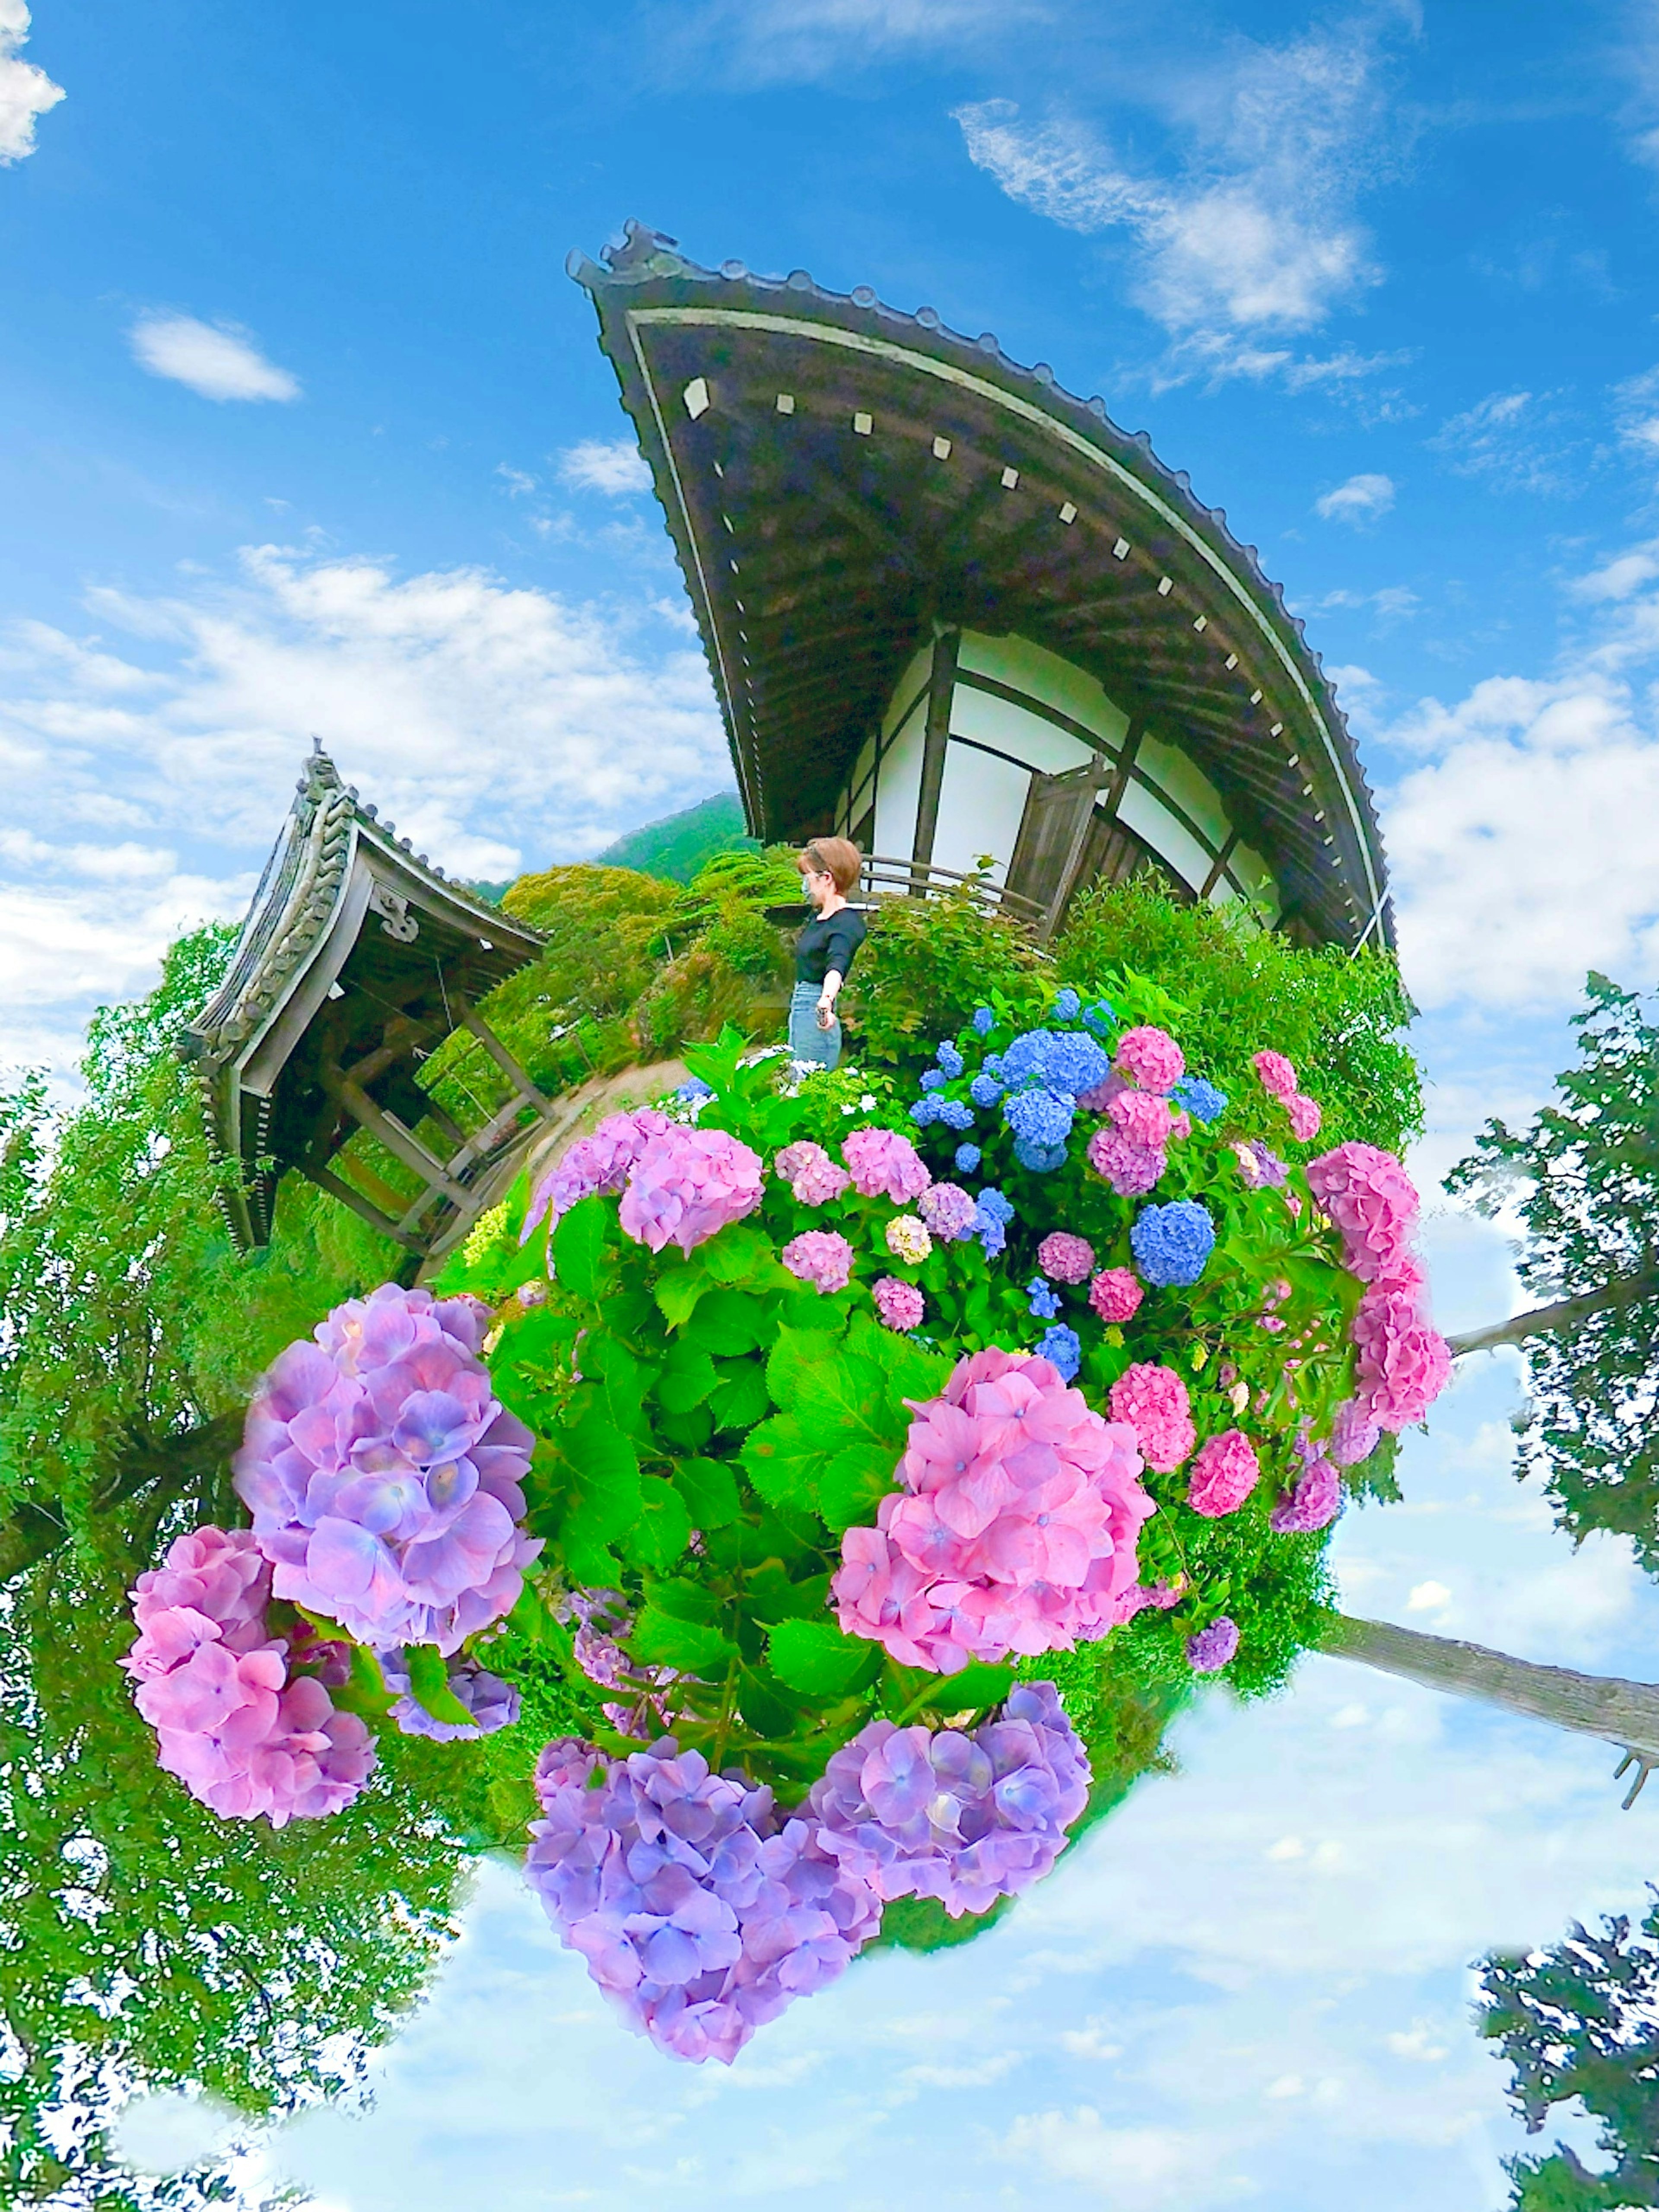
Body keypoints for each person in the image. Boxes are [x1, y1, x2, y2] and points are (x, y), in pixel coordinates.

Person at [789, 837, 866, 1071]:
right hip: (800, 1007)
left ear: (826, 878)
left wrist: (826, 1001)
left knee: (810, 1086)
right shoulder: (817, 918)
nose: (805, 885)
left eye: (808, 877)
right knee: (796, 1081)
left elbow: (837, 964)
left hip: (816, 1007)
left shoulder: (846, 923)